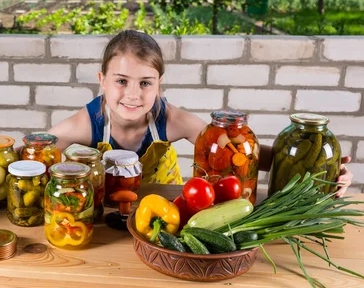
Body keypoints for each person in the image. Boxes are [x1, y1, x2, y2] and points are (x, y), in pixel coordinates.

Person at [47, 30, 354, 195]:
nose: (133, 94)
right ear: (102, 81)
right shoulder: (89, 121)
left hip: (163, 209)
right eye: (121, 81)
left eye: (145, 83)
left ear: (159, 85)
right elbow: (37, 150)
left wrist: (321, 171)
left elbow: (241, 152)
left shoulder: (170, 119)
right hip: (104, 216)